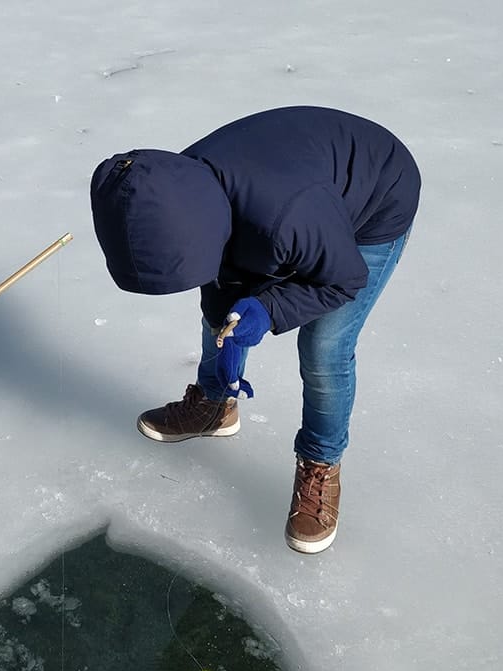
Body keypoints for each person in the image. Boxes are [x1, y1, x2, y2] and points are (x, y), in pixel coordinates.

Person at [91, 106, 421, 554]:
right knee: (224, 314)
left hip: (377, 198)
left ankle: (320, 463)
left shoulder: (285, 216)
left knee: (325, 346)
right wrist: (223, 314)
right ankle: (214, 404)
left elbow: (344, 278)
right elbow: (217, 273)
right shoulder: (168, 189)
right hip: (293, 190)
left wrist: (268, 307)